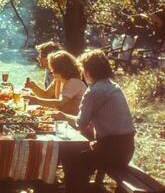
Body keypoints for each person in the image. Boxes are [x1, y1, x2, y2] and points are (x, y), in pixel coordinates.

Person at [51, 50, 136, 193]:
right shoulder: (113, 86)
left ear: (88, 72)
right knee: (77, 153)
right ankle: (76, 186)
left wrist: (63, 116)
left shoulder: (94, 91)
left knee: (70, 156)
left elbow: (80, 123)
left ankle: (74, 188)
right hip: (127, 149)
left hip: (111, 152)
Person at [24, 51, 87, 115]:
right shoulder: (58, 80)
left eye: (52, 68)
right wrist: (33, 87)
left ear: (61, 69)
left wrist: (37, 101)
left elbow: (60, 104)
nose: (51, 71)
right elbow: (46, 95)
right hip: (63, 119)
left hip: (73, 121)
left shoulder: (74, 82)